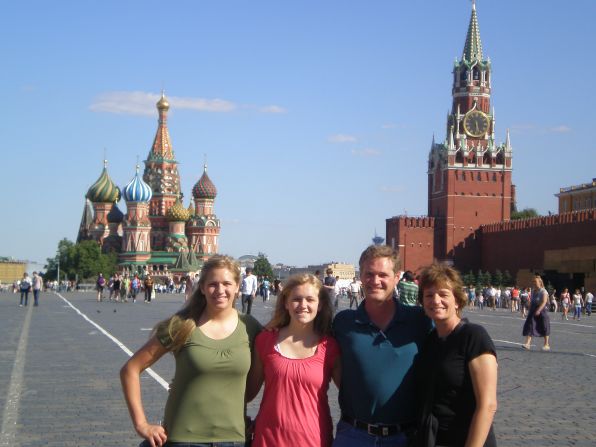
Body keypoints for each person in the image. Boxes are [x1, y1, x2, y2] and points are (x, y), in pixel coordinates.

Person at [120, 255, 262, 447]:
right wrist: (141, 424)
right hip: (184, 438)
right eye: (213, 284)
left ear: (238, 287)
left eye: (227, 283)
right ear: (202, 288)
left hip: (234, 439)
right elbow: (130, 369)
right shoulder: (183, 325)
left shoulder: (250, 327)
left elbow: (254, 388)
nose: (220, 290)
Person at [332, 245, 432, 447]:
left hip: (405, 437)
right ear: (361, 276)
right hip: (353, 435)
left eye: (383, 275)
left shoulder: (419, 321)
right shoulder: (343, 323)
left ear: (397, 277)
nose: (375, 281)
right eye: (369, 274)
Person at [247, 274, 340, 447]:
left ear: (319, 305)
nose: (303, 305)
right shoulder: (265, 340)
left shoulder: (330, 347)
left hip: (314, 439)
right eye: (296, 299)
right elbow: (248, 392)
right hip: (268, 439)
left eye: (310, 300)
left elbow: (351, 396)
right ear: (286, 303)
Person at [414, 263, 498, 447]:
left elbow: (488, 405)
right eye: (429, 295)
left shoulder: (474, 336)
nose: (435, 301)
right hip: (433, 439)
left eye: (443, 294)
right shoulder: (429, 341)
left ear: (457, 300)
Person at [522, 275, 551, 351]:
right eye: (533, 282)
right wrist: (529, 308)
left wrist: (539, 310)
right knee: (530, 326)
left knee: (544, 326)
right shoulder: (533, 291)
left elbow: (544, 302)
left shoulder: (543, 291)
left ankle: (546, 344)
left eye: (535, 282)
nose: (533, 283)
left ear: (540, 282)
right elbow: (532, 301)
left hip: (542, 311)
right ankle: (527, 344)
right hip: (533, 310)